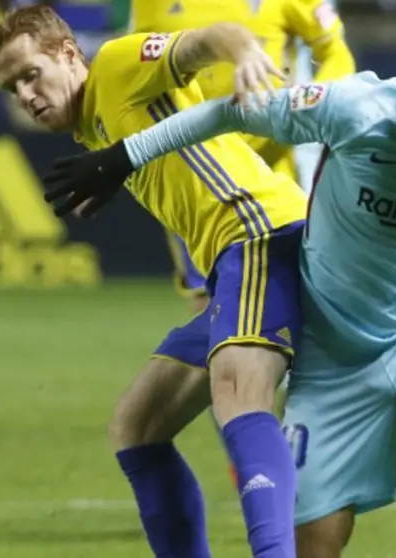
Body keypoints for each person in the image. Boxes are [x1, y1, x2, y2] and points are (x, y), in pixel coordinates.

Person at [41, 22, 396, 558]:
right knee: (314, 545)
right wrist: (124, 157)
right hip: (332, 349)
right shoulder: (359, 108)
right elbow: (229, 112)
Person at [0, 6, 305, 558]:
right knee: (137, 425)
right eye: (12, 87)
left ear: (67, 54)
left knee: (238, 393)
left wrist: (245, 51)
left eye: (31, 74)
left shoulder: (116, 64)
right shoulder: (93, 125)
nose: (26, 95)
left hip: (262, 234)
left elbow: (207, 40)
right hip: (236, 258)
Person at [129, 0, 356, 487]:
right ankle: (255, 457)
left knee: (291, 325)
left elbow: (335, 52)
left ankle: (279, 449)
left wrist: (312, 95)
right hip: (197, 183)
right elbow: (140, 69)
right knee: (217, 322)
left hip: (272, 184)